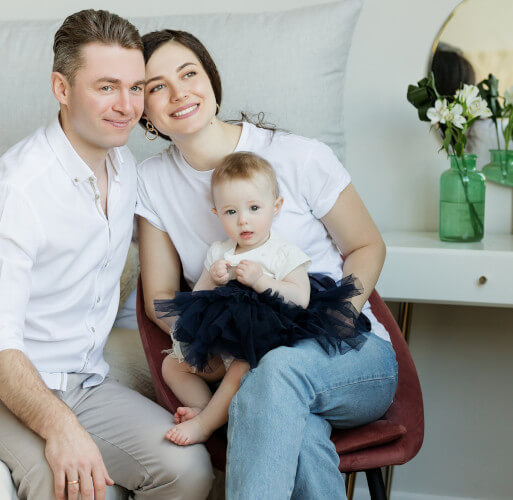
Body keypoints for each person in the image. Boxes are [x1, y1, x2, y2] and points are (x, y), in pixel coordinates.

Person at [0, 13, 213, 500]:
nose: (126, 106)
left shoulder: (124, 165)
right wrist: (62, 429)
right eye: (106, 87)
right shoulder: (14, 193)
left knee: (189, 469)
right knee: (71, 485)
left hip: (81, 380)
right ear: (62, 88)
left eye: (136, 88)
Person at [136, 29, 398, 499]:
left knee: (273, 374)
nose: (178, 94)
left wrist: (333, 319)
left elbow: (367, 245)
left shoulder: (298, 156)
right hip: (251, 364)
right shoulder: (152, 182)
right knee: (292, 425)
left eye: (188, 73)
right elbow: (160, 300)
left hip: (352, 355)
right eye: (156, 86)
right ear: (144, 110)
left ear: (211, 80)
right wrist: (214, 343)